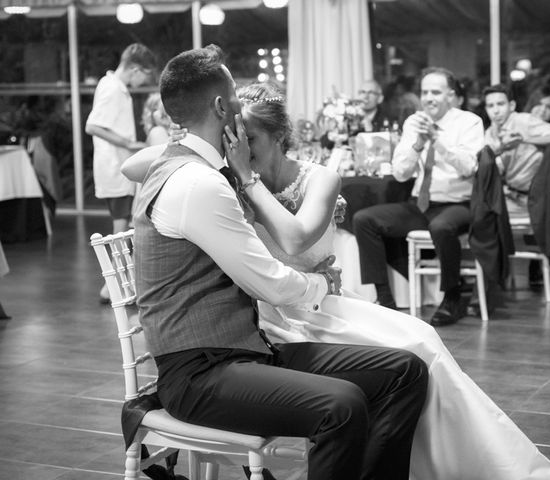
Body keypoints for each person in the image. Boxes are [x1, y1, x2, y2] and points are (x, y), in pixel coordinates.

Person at [124, 80, 550, 480]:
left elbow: (296, 243)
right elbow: (136, 166)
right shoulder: (207, 179)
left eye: (250, 138)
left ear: (279, 137)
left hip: (295, 311)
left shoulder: (305, 176)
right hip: (254, 324)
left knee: (415, 356)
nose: (241, 146)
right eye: (232, 136)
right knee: (354, 395)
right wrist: (198, 140)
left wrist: (244, 172)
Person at [131, 45, 428, 480]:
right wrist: (323, 283)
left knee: (405, 371)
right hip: (200, 375)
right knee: (341, 407)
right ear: (220, 106)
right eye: (235, 96)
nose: (240, 104)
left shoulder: (204, 171)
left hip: (244, 352)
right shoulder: (196, 182)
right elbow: (269, 284)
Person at [352, 67, 485, 325]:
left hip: (458, 203)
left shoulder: (469, 122)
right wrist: (417, 144)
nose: (429, 98)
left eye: (436, 92)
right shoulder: (414, 122)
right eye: (425, 92)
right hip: (421, 205)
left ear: (450, 95)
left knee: (442, 226)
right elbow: (401, 174)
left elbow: (470, 167)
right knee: (363, 219)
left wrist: (438, 140)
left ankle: (453, 296)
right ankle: (385, 300)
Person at [85, 42, 157, 303]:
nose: (143, 82)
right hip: (114, 168)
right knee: (120, 232)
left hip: (117, 167)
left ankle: (118, 287)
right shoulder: (113, 89)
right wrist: (128, 143)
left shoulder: (114, 87)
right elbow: (93, 125)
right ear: (136, 69)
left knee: (122, 228)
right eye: (145, 75)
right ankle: (113, 288)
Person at [483, 84, 550, 219]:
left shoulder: (524, 121)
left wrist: (524, 139)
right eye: (490, 106)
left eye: (500, 104)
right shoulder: (490, 133)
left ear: (511, 106)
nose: (495, 110)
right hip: (508, 195)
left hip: (535, 198)